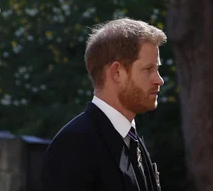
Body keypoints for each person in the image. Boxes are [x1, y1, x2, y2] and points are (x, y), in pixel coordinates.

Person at [41, 18, 165, 191]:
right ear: (117, 72)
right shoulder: (74, 146)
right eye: (148, 69)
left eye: (157, 69)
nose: (159, 80)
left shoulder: (131, 139)